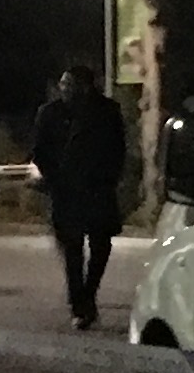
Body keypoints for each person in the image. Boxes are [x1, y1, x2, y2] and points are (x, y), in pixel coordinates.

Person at [28, 64, 130, 328]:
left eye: (71, 84)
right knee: (71, 250)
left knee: (100, 245)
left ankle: (88, 293)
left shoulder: (107, 112)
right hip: (65, 190)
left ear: (86, 86)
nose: (65, 89)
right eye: (63, 84)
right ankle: (79, 303)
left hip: (97, 187)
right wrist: (54, 178)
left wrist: (108, 178)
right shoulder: (50, 114)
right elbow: (39, 150)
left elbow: (118, 148)